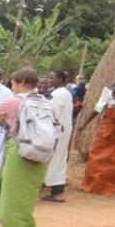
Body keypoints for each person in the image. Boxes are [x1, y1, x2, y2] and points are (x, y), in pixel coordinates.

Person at [0, 68, 55, 227]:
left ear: (21, 82)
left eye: (13, 83)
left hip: (20, 153)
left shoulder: (14, 101)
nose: (11, 87)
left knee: (13, 200)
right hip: (40, 155)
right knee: (18, 196)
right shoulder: (45, 102)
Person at [79, 81, 115, 195]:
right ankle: (91, 184)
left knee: (114, 160)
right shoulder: (107, 95)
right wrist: (85, 124)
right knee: (96, 156)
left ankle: (107, 186)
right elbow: (97, 110)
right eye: (114, 92)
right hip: (105, 131)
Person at [42, 71, 74, 202]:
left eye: (52, 78)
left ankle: (53, 189)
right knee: (60, 160)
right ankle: (57, 191)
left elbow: (53, 113)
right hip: (64, 130)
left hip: (56, 131)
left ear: (60, 79)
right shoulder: (66, 93)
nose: (50, 80)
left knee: (52, 159)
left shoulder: (56, 94)